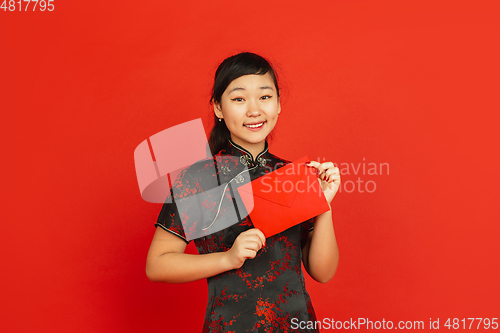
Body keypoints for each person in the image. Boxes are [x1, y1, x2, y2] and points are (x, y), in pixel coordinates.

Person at [146, 52, 340, 332]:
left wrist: (324, 204)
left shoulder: (295, 175)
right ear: (218, 108)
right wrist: (227, 258)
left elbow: (322, 272)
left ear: (278, 104)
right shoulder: (199, 179)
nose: (254, 110)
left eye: (265, 97)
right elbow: (157, 265)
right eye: (239, 99)